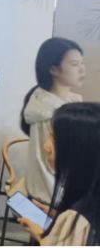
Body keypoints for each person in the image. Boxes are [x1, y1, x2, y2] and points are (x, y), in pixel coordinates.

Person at [19, 102, 100, 245]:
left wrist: (42, 237)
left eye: (54, 138)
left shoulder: (78, 223)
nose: (46, 146)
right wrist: (60, 216)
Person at [20, 37, 84, 205]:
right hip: (50, 199)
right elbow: (52, 166)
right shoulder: (47, 111)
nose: (82, 70)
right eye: (75, 64)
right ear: (53, 69)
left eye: (81, 63)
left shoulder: (69, 102)